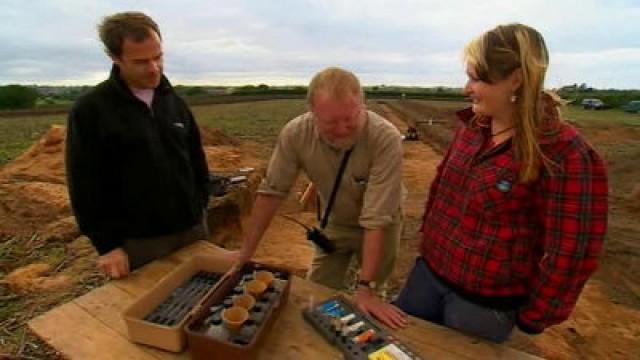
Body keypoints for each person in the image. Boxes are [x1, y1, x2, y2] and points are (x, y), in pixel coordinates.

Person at [394, 23, 608, 342]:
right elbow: (442, 192)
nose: (467, 88)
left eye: (477, 78)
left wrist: (536, 315)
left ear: (516, 80)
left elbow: (572, 251)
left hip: (481, 307)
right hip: (426, 278)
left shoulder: (564, 152)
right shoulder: (472, 127)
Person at [233, 67, 408, 329]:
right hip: (335, 221)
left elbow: (376, 218)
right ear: (311, 113)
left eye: (350, 118)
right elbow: (272, 192)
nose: (341, 129)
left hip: (383, 225)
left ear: (363, 104)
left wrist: (366, 287)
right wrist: (244, 254)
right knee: (317, 293)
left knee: (371, 301)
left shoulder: (385, 138)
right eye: (330, 122)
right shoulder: (295, 134)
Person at [65, 12, 210, 279]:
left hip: (192, 229)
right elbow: (84, 184)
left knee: (201, 303)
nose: (154, 68)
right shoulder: (91, 110)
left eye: (158, 57)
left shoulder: (174, 102)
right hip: (140, 242)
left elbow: (196, 160)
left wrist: (200, 206)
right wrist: (107, 246)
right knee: (155, 312)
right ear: (115, 58)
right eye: (141, 61)